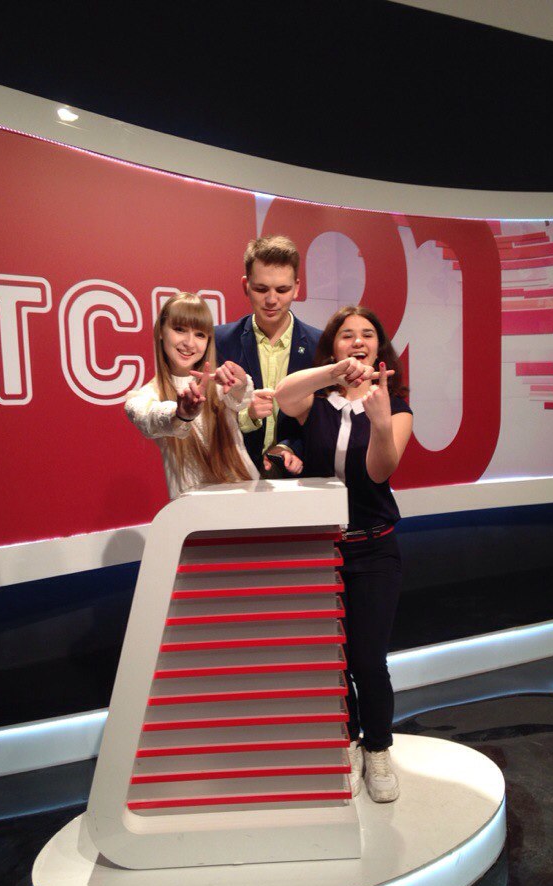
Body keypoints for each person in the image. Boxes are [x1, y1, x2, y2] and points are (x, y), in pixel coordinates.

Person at [275, 305, 413, 803]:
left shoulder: (395, 406)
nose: (358, 341)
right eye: (347, 335)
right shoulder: (316, 401)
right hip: (320, 549)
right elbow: (285, 396)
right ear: (333, 346)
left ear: (380, 348)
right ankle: (350, 740)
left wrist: (380, 422)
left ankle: (378, 748)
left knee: (367, 659)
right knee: (333, 659)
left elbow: (379, 472)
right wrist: (333, 374)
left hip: (374, 548)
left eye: (367, 335)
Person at [125, 292, 258, 498]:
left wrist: (239, 384)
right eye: (180, 329)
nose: (189, 343)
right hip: (193, 509)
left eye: (200, 334)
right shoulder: (146, 396)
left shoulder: (219, 382)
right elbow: (148, 418)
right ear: (161, 331)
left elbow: (242, 398)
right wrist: (181, 414)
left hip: (248, 497)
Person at [215, 235, 322, 476]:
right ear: (245, 285)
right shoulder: (220, 341)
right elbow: (209, 421)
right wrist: (247, 414)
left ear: (297, 288)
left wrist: (290, 447)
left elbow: (325, 419)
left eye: (282, 290)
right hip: (235, 478)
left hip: (303, 480)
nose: (272, 300)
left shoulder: (319, 345)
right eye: (261, 289)